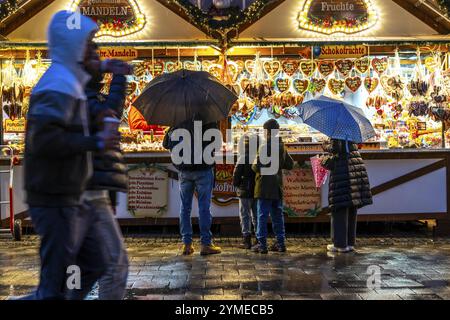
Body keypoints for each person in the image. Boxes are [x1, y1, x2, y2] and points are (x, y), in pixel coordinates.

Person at [23, 11, 119, 300]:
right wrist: (96, 141)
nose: (96, 50)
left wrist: (108, 70)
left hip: (70, 194)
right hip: (53, 197)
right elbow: (46, 142)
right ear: (73, 47)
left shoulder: (70, 80)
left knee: (94, 264)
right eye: (90, 44)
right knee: (55, 285)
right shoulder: (57, 85)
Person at [83, 57, 131, 300]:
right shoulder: (76, 97)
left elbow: (113, 108)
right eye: (93, 54)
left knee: (107, 265)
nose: (101, 60)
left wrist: (119, 78)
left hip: (96, 191)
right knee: (112, 265)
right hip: (84, 192)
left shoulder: (93, 100)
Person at [163, 115, 222, 256]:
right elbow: (217, 144)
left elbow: (166, 144)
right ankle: (206, 244)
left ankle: (187, 244)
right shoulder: (209, 118)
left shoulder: (177, 119)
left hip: (185, 170)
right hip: (203, 168)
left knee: (185, 207)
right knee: (204, 207)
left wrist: (170, 129)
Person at [321, 139, 373, 253]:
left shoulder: (337, 133)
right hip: (355, 168)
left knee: (339, 209)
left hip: (343, 173)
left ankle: (340, 244)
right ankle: (350, 243)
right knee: (351, 209)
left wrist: (325, 145)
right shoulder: (350, 134)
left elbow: (336, 149)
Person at [252, 119, 294, 254]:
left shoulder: (264, 147)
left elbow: (256, 166)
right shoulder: (282, 147)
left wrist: (254, 161)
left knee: (262, 215)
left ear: (267, 132)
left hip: (264, 186)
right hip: (277, 186)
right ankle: (281, 243)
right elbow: (290, 164)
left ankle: (262, 244)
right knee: (277, 215)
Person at [233, 134, 259, 249]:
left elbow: (236, 175)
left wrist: (236, 184)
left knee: (245, 214)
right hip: (257, 189)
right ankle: (259, 239)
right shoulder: (260, 156)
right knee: (257, 215)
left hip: (245, 190)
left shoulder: (243, 157)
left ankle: (246, 240)